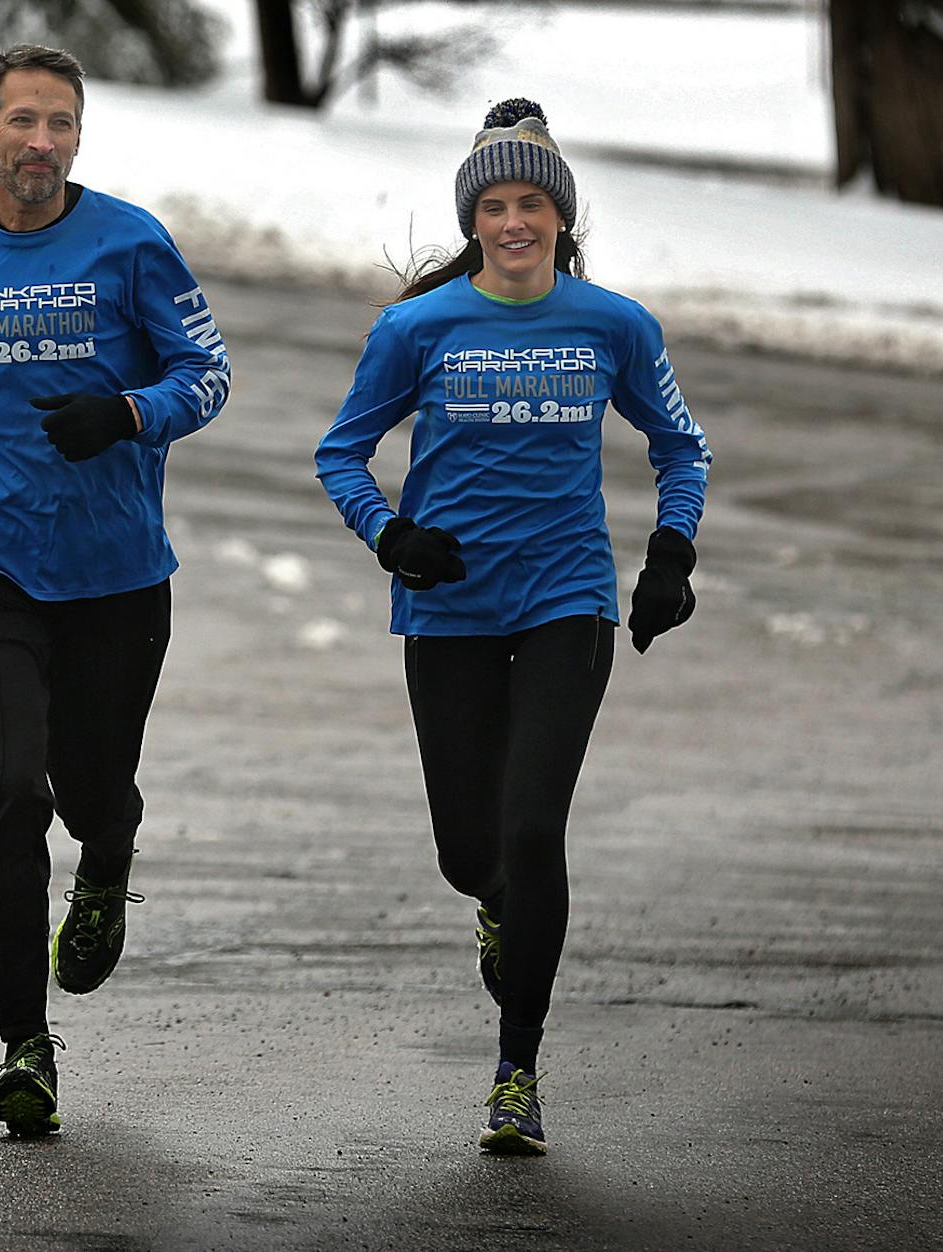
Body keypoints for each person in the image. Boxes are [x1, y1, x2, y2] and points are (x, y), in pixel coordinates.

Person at [314, 98, 711, 1155]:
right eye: (495, 206)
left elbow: (682, 446)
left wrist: (671, 553)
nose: (514, 222)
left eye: (532, 203)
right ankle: (494, 899)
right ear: (474, 220)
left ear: (560, 216)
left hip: (565, 602)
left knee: (533, 829)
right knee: (469, 851)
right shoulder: (416, 329)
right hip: (447, 607)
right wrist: (391, 536)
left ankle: (516, 1071)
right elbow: (339, 452)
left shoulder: (614, 324)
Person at [0, 44, 232, 1138]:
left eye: (61, 123)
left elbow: (208, 374)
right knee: (10, 790)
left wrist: (126, 413)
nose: (41, 142)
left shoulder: (132, 242)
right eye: (23, 121)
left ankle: (108, 853)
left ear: (78, 138)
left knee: (87, 787)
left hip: (114, 569)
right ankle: (24, 1044)